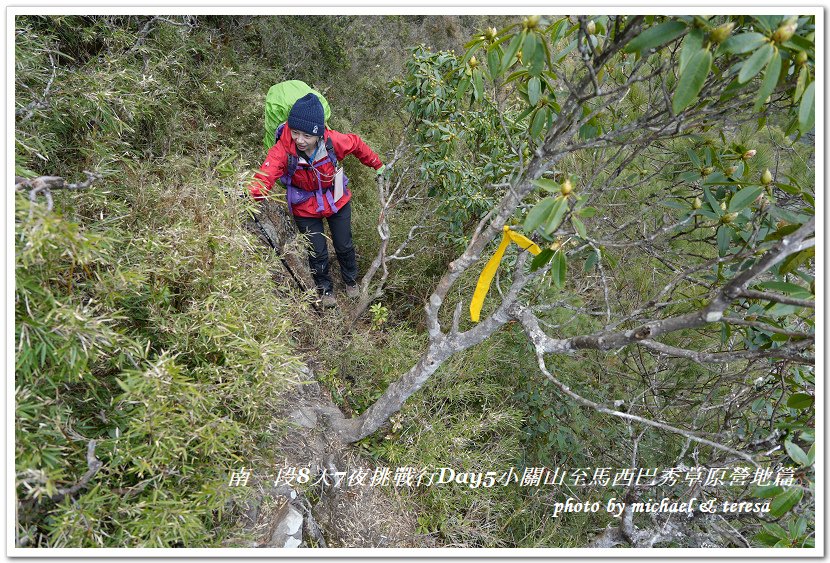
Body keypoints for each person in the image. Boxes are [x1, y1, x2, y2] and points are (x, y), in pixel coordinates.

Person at [249, 93, 384, 308]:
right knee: (317, 250)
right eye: (295, 133)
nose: (300, 140)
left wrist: (377, 164)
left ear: (319, 133)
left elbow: (357, 144)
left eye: (306, 135)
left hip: (336, 199)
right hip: (305, 206)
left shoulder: (333, 141)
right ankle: (325, 288)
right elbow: (267, 172)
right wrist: (252, 194)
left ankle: (350, 280)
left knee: (344, 244)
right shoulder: (283, 149)